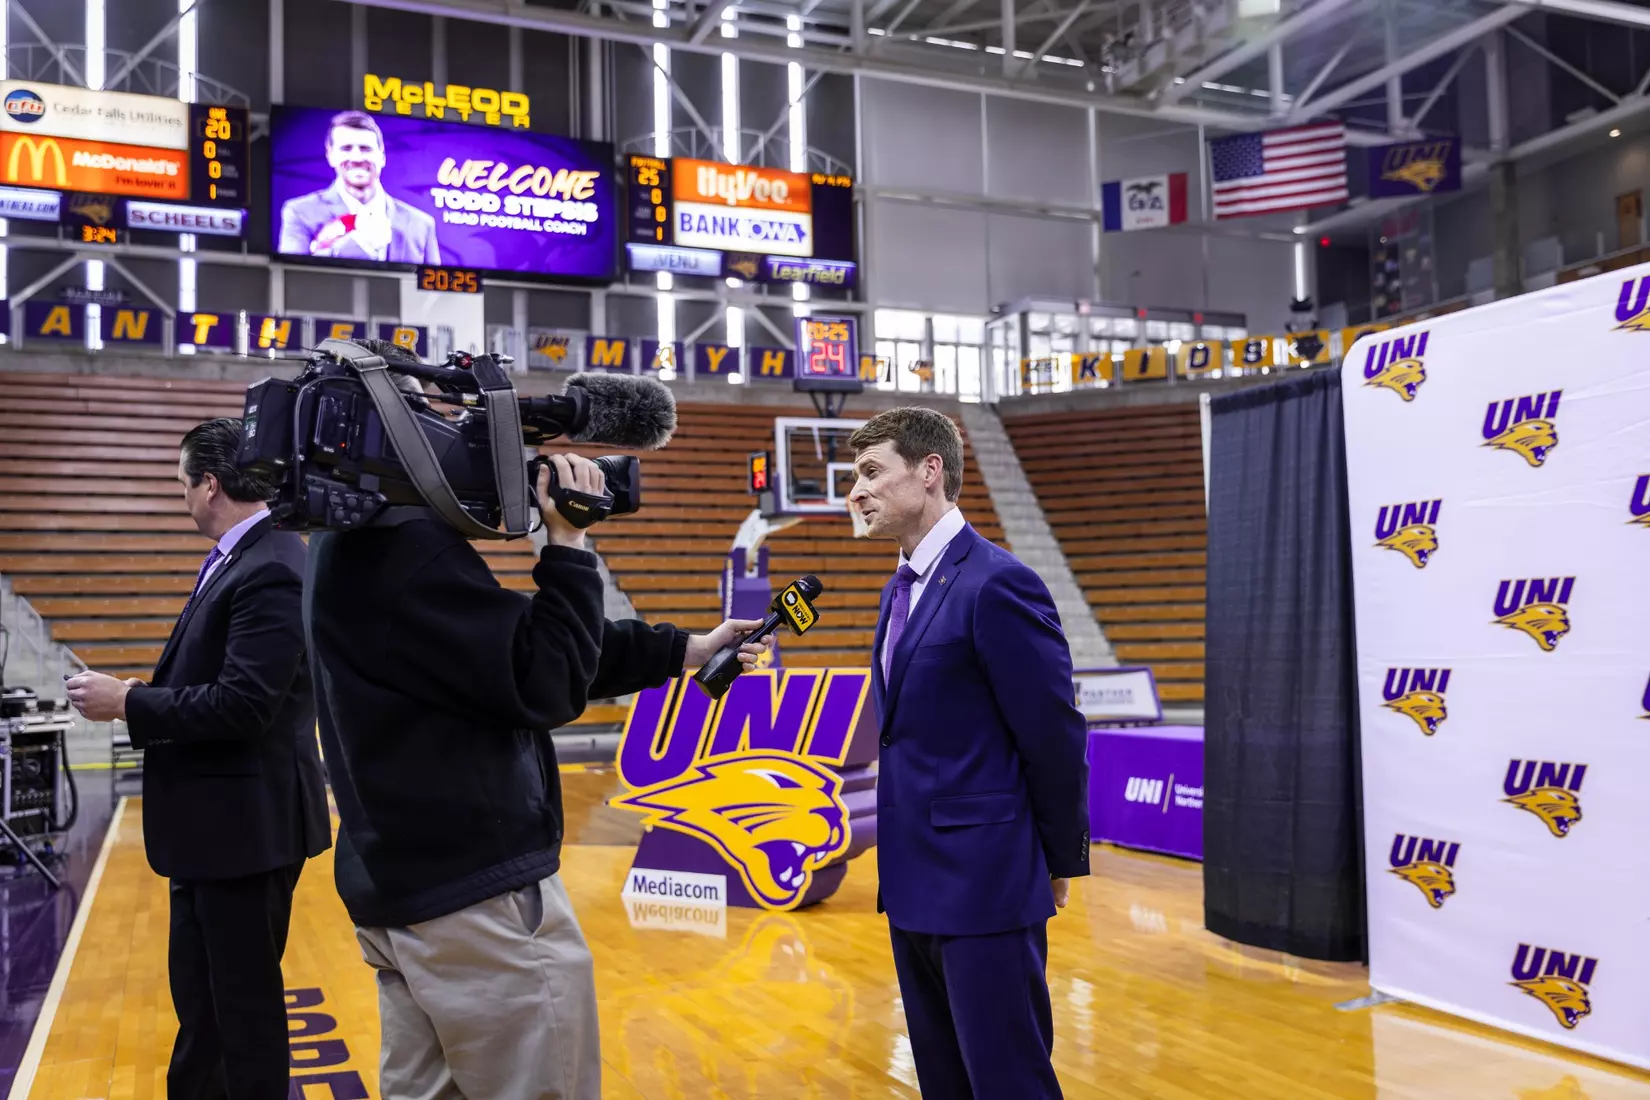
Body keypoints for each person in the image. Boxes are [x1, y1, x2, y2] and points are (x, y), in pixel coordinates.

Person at [303, 341, 770, 1098]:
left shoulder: (351, 548)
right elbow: (545, 680)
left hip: (402, 890)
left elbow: (512, 649)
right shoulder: (412, 557)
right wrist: (570, 542)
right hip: (474, 896)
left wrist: (685, 649)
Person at [66, 418, 331, 1100]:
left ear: (210, 485)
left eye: (183, 484)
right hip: (222, 828)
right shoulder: (249, 557)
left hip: (246, 829)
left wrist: (130, 702)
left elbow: (245, 706)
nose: (181, 497)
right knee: (207, 1006)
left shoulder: (271, 564)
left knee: (241, 1014)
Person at [847, 407, 1090, 1100]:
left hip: (985, 885)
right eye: (852, 477)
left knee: (1009, 1083)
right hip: (914, 884)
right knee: (944, 1084)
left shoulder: (997, 583)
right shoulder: (901, 589)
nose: (854, 492)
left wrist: (1059, 857)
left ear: (929, 472)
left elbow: (1052, 733)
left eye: (870, 472)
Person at [277, 109, 439, 264]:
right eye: (346, 148)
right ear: (331, 156)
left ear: (382, 157)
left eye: (365, 148)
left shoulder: (422, 225)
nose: (356, 157)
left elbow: (435, 292)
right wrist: (360, 244)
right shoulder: (300, 212)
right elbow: (292, 273)